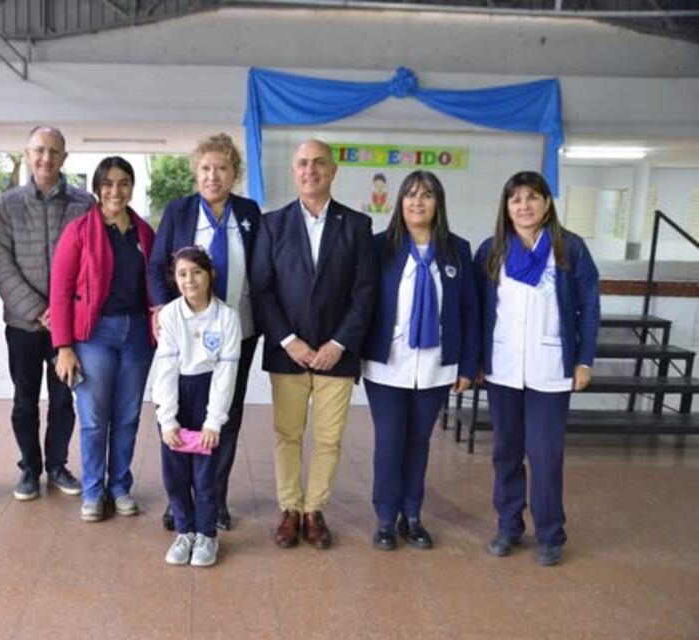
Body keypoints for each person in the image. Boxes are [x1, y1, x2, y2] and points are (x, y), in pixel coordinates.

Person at [251, 139, 375, 550]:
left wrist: (339, 343)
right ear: (294, 171)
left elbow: (365, 292)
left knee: (328, 438)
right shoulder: (272, 225)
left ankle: (313, 510)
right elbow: (262, 289)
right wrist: (289, 341)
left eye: (319, 163)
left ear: (333, 170)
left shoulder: (357, 226)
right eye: (303, 163)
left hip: (336, 356)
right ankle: (289, 508)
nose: (310, 170)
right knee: (287, 434)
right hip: (288, 353)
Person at [474, 170, 600, 567]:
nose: (524, 206)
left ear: (547, 203)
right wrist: (476, 359)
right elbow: (478, 309)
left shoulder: (569, 249)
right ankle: (509, 526)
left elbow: (590, 306)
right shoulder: (492, 249)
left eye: (532, 197)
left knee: (545, 453)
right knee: (506, 452)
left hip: (551, 368)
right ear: (506, 207)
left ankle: (550, 533)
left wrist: (584, 359)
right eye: (516, 199)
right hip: (503, 367)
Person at [148, 132, 261, 531]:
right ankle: (179, 500)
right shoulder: (179, 211)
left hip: (238, 331)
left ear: (235, 173)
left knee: (223, 416)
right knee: (180, 414)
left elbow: (260, 270)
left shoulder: (249, 212)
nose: (213, 176)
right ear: (196, 172)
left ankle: (215, 498)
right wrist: (162, 309)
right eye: (206, 168)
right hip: (185, 334)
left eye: (222, 168)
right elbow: (158, 265)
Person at [361, 170, 479, 551]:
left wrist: (467, 365)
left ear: (437, 204)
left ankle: (412, 516)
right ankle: (384, 518)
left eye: (426, 195)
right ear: (400, 202)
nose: (417, 202)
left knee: (419, 442)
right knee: (390, 442)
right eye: (410, 195)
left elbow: (469, 310)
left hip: (436, 365)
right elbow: (363, 305)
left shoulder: (458, 250)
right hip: (387, 364)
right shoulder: (380, 247)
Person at [51, 156, 157, 522]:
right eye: (108, 183)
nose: (116, 190)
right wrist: (64, 347)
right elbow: (60, 291)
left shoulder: (144, 232)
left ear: (132, 187)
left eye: (124, 182)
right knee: (94, 418)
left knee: (127, 416)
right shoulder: (78, 231)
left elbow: (155, 284)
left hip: (138, 334)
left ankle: (120, 487)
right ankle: (94, 491)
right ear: (97, 188)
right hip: (94, 336)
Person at [0, 126, 93, 501]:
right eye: (39, 151)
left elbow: (91, 264)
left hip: (70, 328)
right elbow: (1, 265)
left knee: (65, 399)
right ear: (28, 154)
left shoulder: (84, 204)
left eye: (54, 152)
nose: (46, 158)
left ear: (64, 158)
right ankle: (29, 468)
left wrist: (65, 313)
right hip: (23, 326)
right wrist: (39, 311)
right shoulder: (7, 205)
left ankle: (57, 465)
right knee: (24, 399)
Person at [153, 247, 242, 567]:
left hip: (208, 396)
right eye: (182, 274)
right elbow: (165, 369)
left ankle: (206, 535)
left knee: (205, 475)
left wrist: (214, 421)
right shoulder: (170, 315)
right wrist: (168, 419)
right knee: (175, 472)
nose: (189, 280)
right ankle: (184, 531)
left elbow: (225, 373)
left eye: (197, 272)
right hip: (177, 394)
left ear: (211, 275)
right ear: (175, 279)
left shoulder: (228, 318)